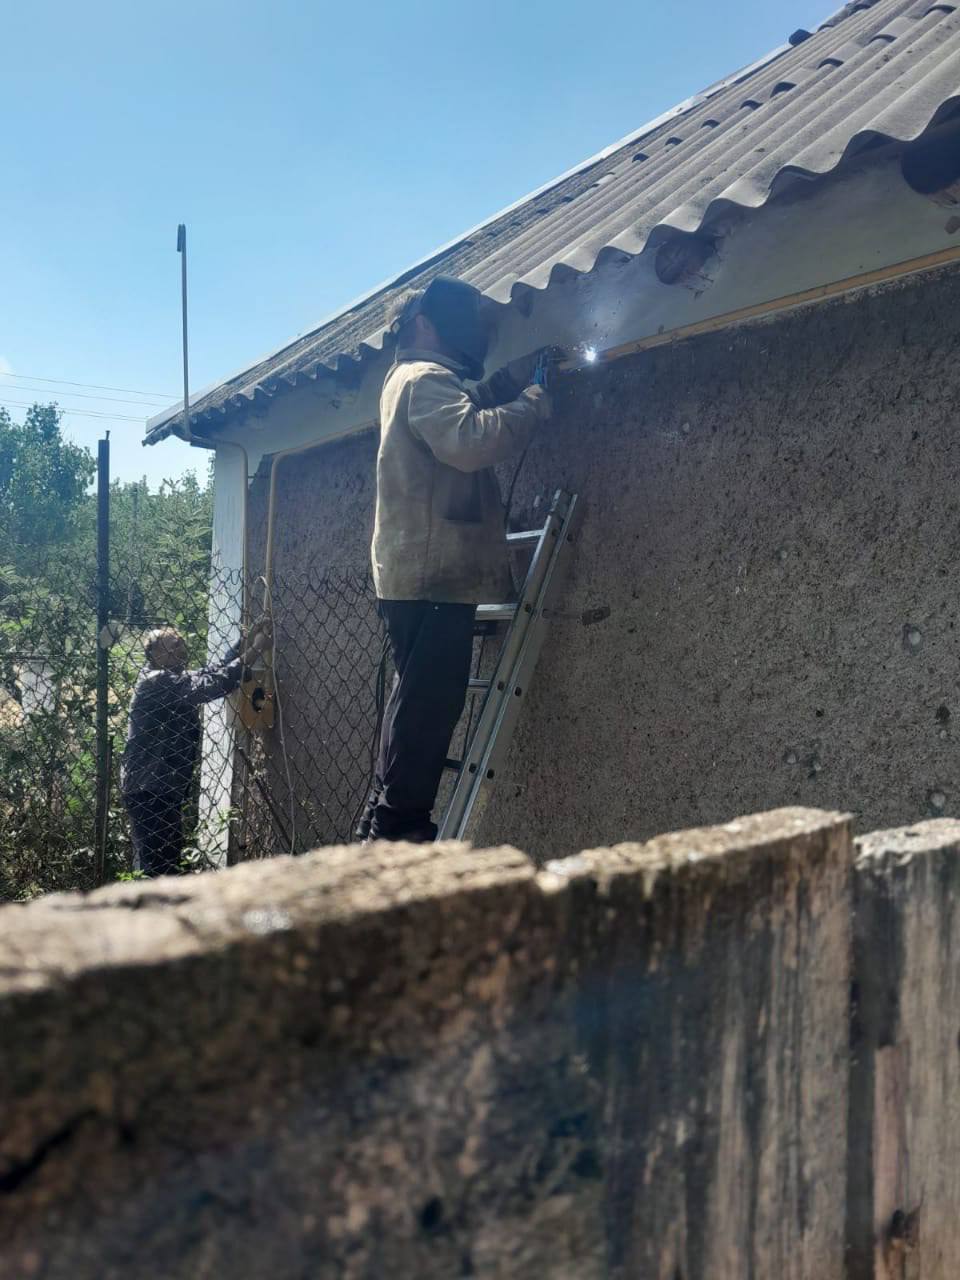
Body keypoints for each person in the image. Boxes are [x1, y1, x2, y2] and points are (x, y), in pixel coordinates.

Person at [358, 275, 555, 843]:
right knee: (431, 704)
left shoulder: (411, 381)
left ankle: (388, 814)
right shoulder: (425, 381)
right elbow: (470, 439)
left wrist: (516, 380)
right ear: (426, 325)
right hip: (431, 576)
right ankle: (401, 826)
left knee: (416, 697)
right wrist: (535, 402)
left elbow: (464, 409)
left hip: (414, 574)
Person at [121, 619, 271, 876]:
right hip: (150, 788)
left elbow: (212, 672)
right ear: (156, 654)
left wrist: (244, 644)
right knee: (158, 867)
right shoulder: (157, 682)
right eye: (175, 644)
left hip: (157, 785)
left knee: (161, 862)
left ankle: (153, 909)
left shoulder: (170, 678)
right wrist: (255, 650)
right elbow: (210, 685)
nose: (183, 649)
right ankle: (149, 911)